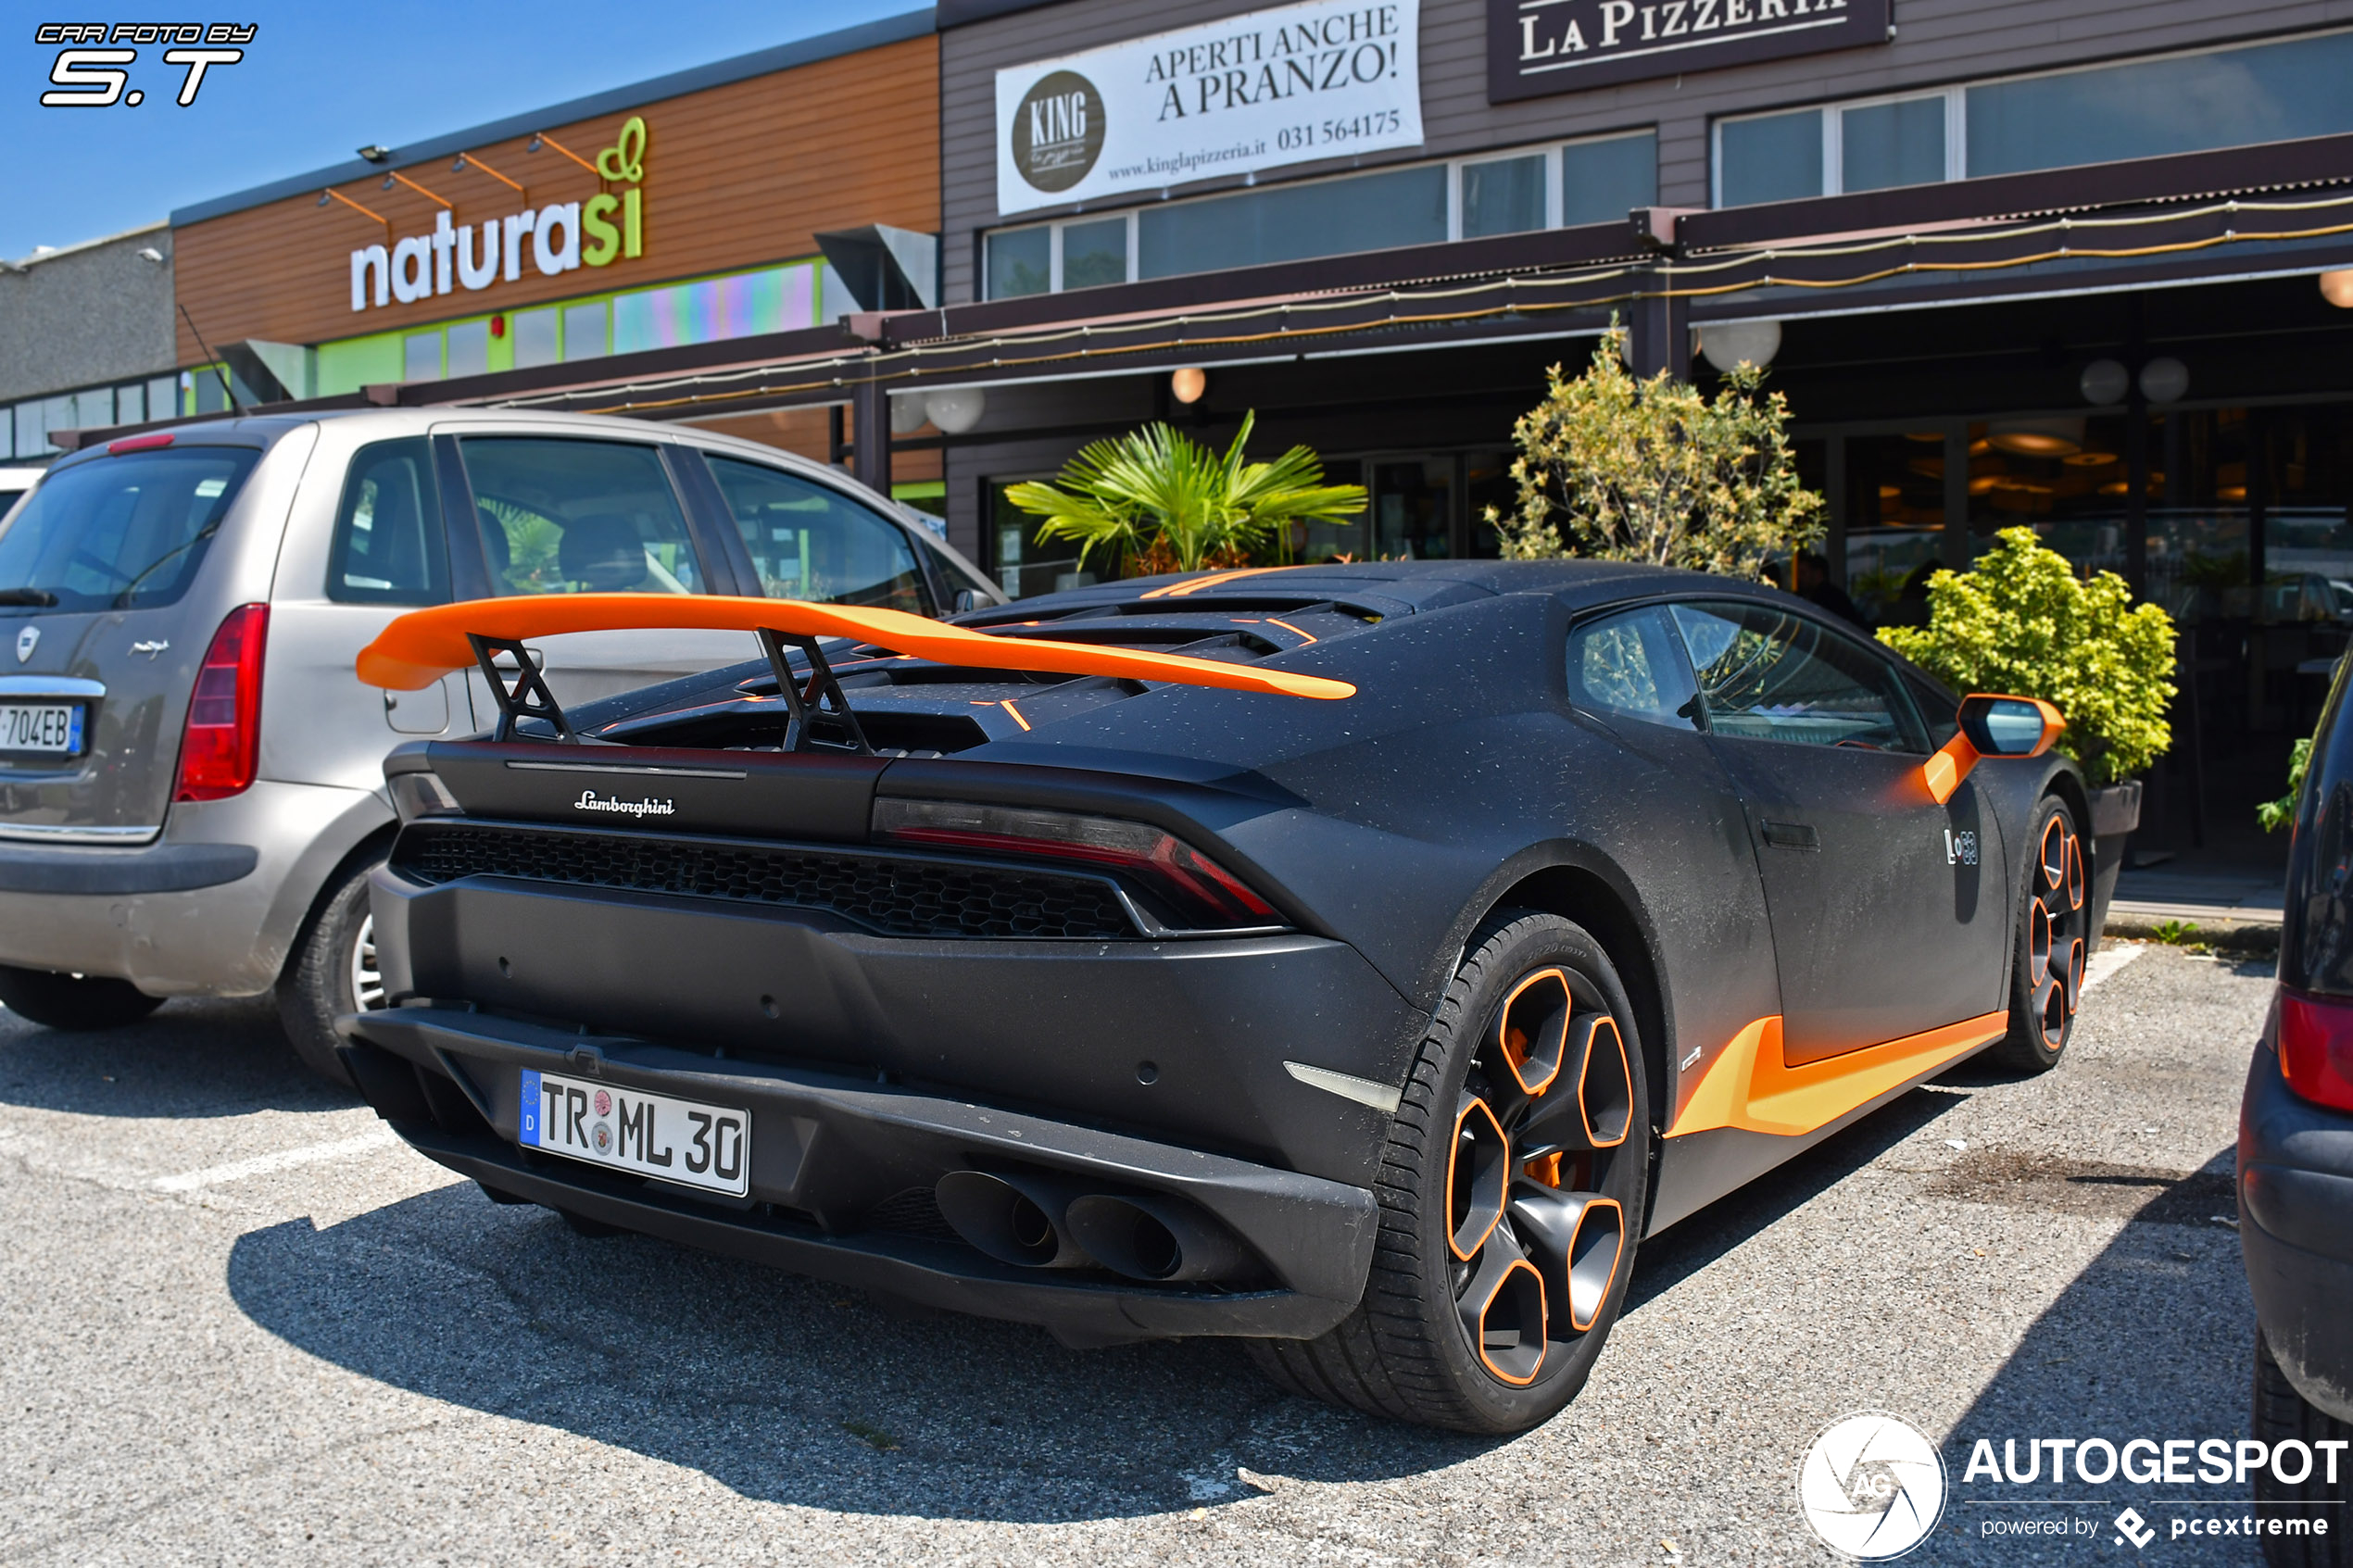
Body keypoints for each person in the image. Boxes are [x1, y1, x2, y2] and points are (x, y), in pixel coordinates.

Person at [1793, 550, 1867, 627]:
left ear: (1818, 574)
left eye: (1803, 573)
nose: (1799, 578)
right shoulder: (1833, 595)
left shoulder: (1825, 599)